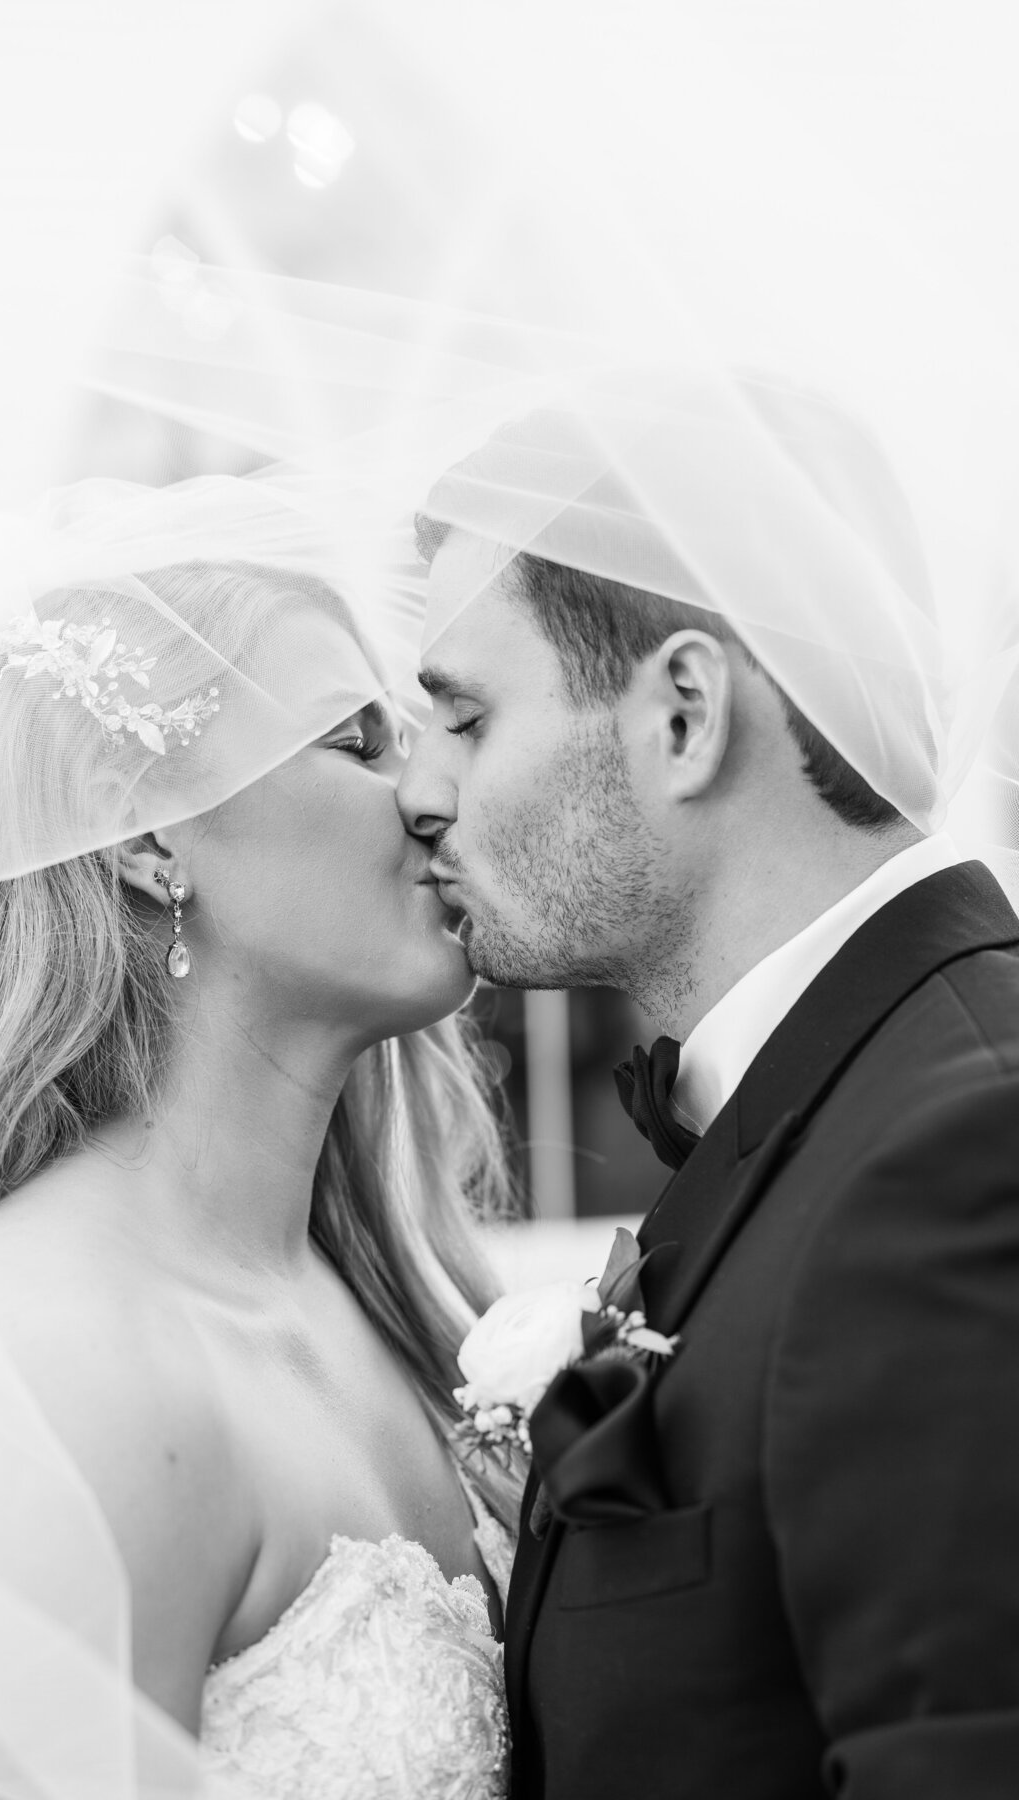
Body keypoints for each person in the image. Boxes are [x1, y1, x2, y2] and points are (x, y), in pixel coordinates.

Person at [0, 477, 517, 1800]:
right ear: (145, 835)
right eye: (355, 740)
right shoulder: (33, 1375)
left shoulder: (382, 1297)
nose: (434, 789)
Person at [397, 384, 1019, 1798]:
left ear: (682, 712)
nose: (423, 794)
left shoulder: (965, 1154)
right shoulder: (831, 1096)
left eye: (469, 717)